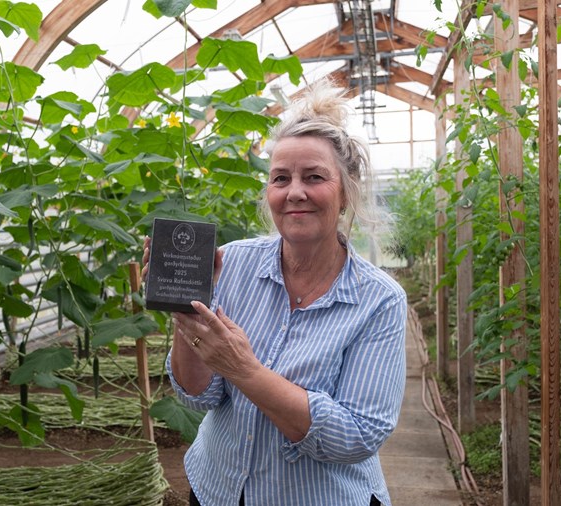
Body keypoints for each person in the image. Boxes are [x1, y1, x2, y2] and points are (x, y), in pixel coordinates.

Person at [144, 79, 407, 506]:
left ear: (345, 192)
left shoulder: (379, 301)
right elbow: (197, 395)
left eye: (314, 177)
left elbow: (356, 436)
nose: (295, 192)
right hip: (219, 490)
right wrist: (186, 309)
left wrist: (245, 369)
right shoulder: (231, 264)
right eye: (280, 178)